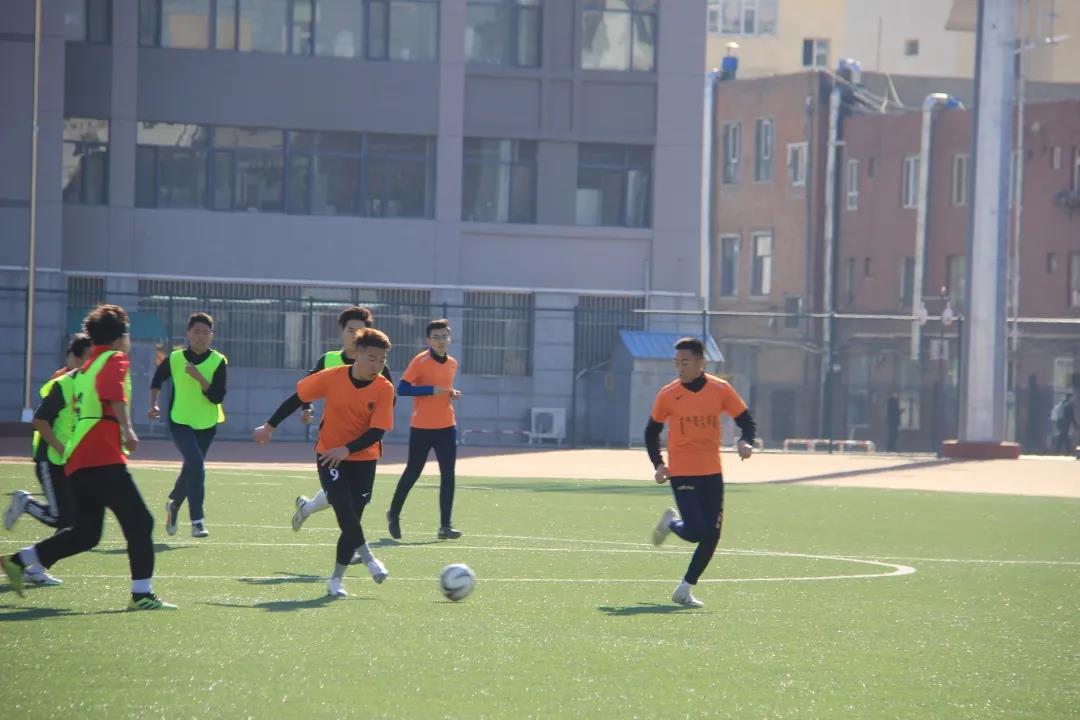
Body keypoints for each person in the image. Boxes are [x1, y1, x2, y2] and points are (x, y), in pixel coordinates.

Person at [0, 304, 176, 610]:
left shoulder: (84, 369)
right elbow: (112, 393)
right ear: (121, 336)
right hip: (101, 453)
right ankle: (142, 595)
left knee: (86, 534)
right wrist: (128, 430)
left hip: (78, 458)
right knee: (140, 522)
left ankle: (19, 561)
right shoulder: (114, 358)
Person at [254, 328, 395, 597]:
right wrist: (269, 426)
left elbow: (377, 431)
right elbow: (298, 398)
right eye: (372, 358)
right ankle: (370, 560)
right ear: (357, 354)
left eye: (382, 360)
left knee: (353, 517)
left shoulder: (384, 388)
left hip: (364, 458)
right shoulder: (332, 377)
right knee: (343, 507)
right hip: (329, 455)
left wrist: (347, 449)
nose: (377, 365)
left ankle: (335, 580)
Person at [645, 337, 757, 608]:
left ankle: (684, 589)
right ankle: (672, 523)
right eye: (677, 363)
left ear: (701, 362)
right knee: (696, 531)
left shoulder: (720, 389)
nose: (680, 368)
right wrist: (659, 464)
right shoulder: (668, 394)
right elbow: (651, 432)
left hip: (712, 472)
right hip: (682, 472)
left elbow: (745, 420)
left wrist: (746, 441)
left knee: (712, 535)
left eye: (685, 362)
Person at [280, 306, 394, 532]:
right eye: (351, 330)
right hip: (334, 441)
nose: (355, 335)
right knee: (340, 495)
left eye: (361, 330)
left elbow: (388, 401)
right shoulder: (329, 360)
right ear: (342, 332)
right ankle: (353, 544)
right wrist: (306, 408)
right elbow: (307, 389)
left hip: (363, 444)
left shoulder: (378, 366)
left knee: (346, 497)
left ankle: (307, 508)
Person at [2, 334, 93, 586]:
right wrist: (62, 449)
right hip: (50, 459)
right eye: (91, 356)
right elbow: (40, 421)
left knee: (72, 522)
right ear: (78, 357)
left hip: (72, 463)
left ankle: (38, 568)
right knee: (61, 519)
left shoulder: (89, 386)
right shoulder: (63, 383)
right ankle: (25, 502)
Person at [150, 312, 227, 539]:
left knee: (191, 468)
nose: (201, 336)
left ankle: (174, 504)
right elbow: (157, 380)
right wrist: (153, 404)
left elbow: (217, 396)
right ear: (188, 334)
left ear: (212, 335)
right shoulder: (175, 358)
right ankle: (197, 521)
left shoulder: (218, 361)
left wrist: (199, 377)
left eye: (206, 332)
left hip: (207, 424)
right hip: (180, 421)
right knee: (196, 465)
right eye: (197, 332)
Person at [387, 319, 463, 541]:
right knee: (413, 472)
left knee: (448, 475)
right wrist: (430, 390)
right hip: (422, 427)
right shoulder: (420, 361)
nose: (440, 341)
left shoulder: (452, 363)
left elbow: (443, 389)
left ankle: (445, 526)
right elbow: (402, 389)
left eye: (444, 336)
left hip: (447, 427)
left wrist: (450, 393)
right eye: (436, 337)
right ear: (428, 340)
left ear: (449, 338)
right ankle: (394, 513)